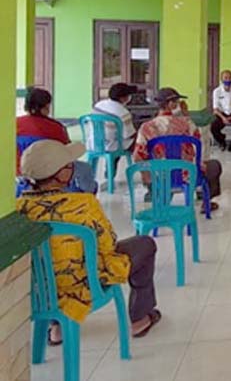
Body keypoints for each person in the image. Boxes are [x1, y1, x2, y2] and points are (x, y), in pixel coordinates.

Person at [17, 140, 161, 343]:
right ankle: (140, 318)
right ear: (61, 174)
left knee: (50, 263)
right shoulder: (83, 204)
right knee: (145, 244)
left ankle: (56, 327)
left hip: (40, 289)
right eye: (69, 166)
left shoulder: (19, 208)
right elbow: (108, 245)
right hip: (84, 282)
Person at [133, 88, 224, 210]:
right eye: (177, 101)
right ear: (171, 104)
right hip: (187, 174)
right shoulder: (185, 123)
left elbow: (138, 155)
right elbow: (197, 137)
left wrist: (148, 177)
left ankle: (161, 198)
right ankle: (206, 202)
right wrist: (186, 114)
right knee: (215, 165)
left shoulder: (147, 127)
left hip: (160, 175)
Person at [16, 87, 97, 194]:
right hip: (53, 173)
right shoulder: (56, 127)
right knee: (85, 169)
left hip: (21, 171)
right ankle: (88, 198)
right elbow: (65, 152)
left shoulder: (15, 124)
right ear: (46, 106)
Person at [91, 82, 137, 153]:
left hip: (94, 143)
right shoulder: (123, 112)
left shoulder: (98, 105)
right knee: (140, 143)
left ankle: (111, 163)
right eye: (128, 95)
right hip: (111, 145)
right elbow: (129, 135)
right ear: (122, 98)